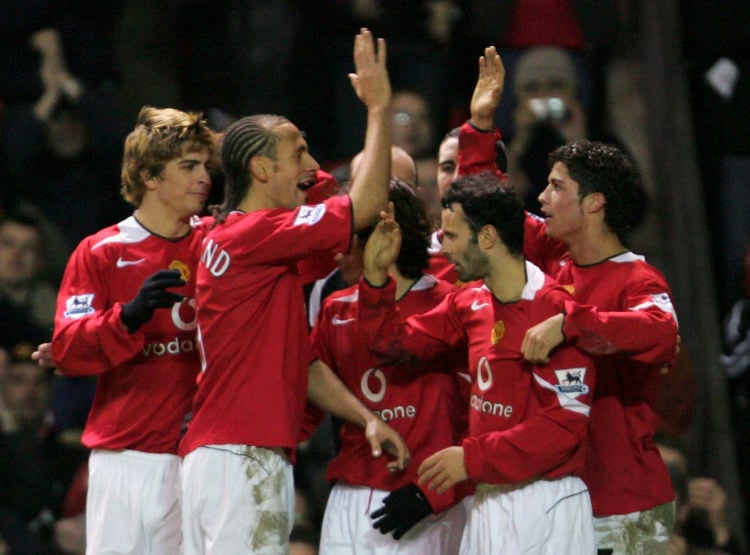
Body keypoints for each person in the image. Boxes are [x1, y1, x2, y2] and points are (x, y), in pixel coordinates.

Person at [178, 29, 409, 554]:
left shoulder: (235, 241)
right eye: (299, 153)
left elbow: (301, 364)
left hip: (218, 458)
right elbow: (363, 206)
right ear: (261, 169)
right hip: (244, 459)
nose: (312, 166)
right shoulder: (259, 236)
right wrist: (377, 109)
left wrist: (365, 418)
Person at [358, 172, 596, 553]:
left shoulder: (555, 313)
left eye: (452, 237)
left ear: (487, 237)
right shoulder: (469, 302)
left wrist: (471, 458)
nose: (444, 249)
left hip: (546, 502)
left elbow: (564, 427)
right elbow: (393, 345)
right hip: (487, 499)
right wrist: (374, 278)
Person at [50, 105, 215, 554]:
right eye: (188, 166)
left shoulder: (219, 242)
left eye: (205, 165)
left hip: (208, 456)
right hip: (130, 460)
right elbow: (67, 349)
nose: (204, 177)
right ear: (149, 177)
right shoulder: (101, 251)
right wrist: (126, 318)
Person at [522, 140, 680, 553]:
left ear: (594, 203)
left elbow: (660, 331)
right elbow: (490, 216)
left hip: (623, 505)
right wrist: (480, 129)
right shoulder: (553, 257)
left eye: (556, 186)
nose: (541, 197)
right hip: (560, 500)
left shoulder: (639, 280)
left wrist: (571, 323)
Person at [310, 179, 470, 553]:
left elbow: (477, 417)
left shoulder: (454, 305)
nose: (336, 255)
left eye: (346, 239)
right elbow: (308, 377)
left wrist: (437, 493)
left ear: (384, 237)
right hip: (348, 497)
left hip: (425, 502)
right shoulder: (335, 307)